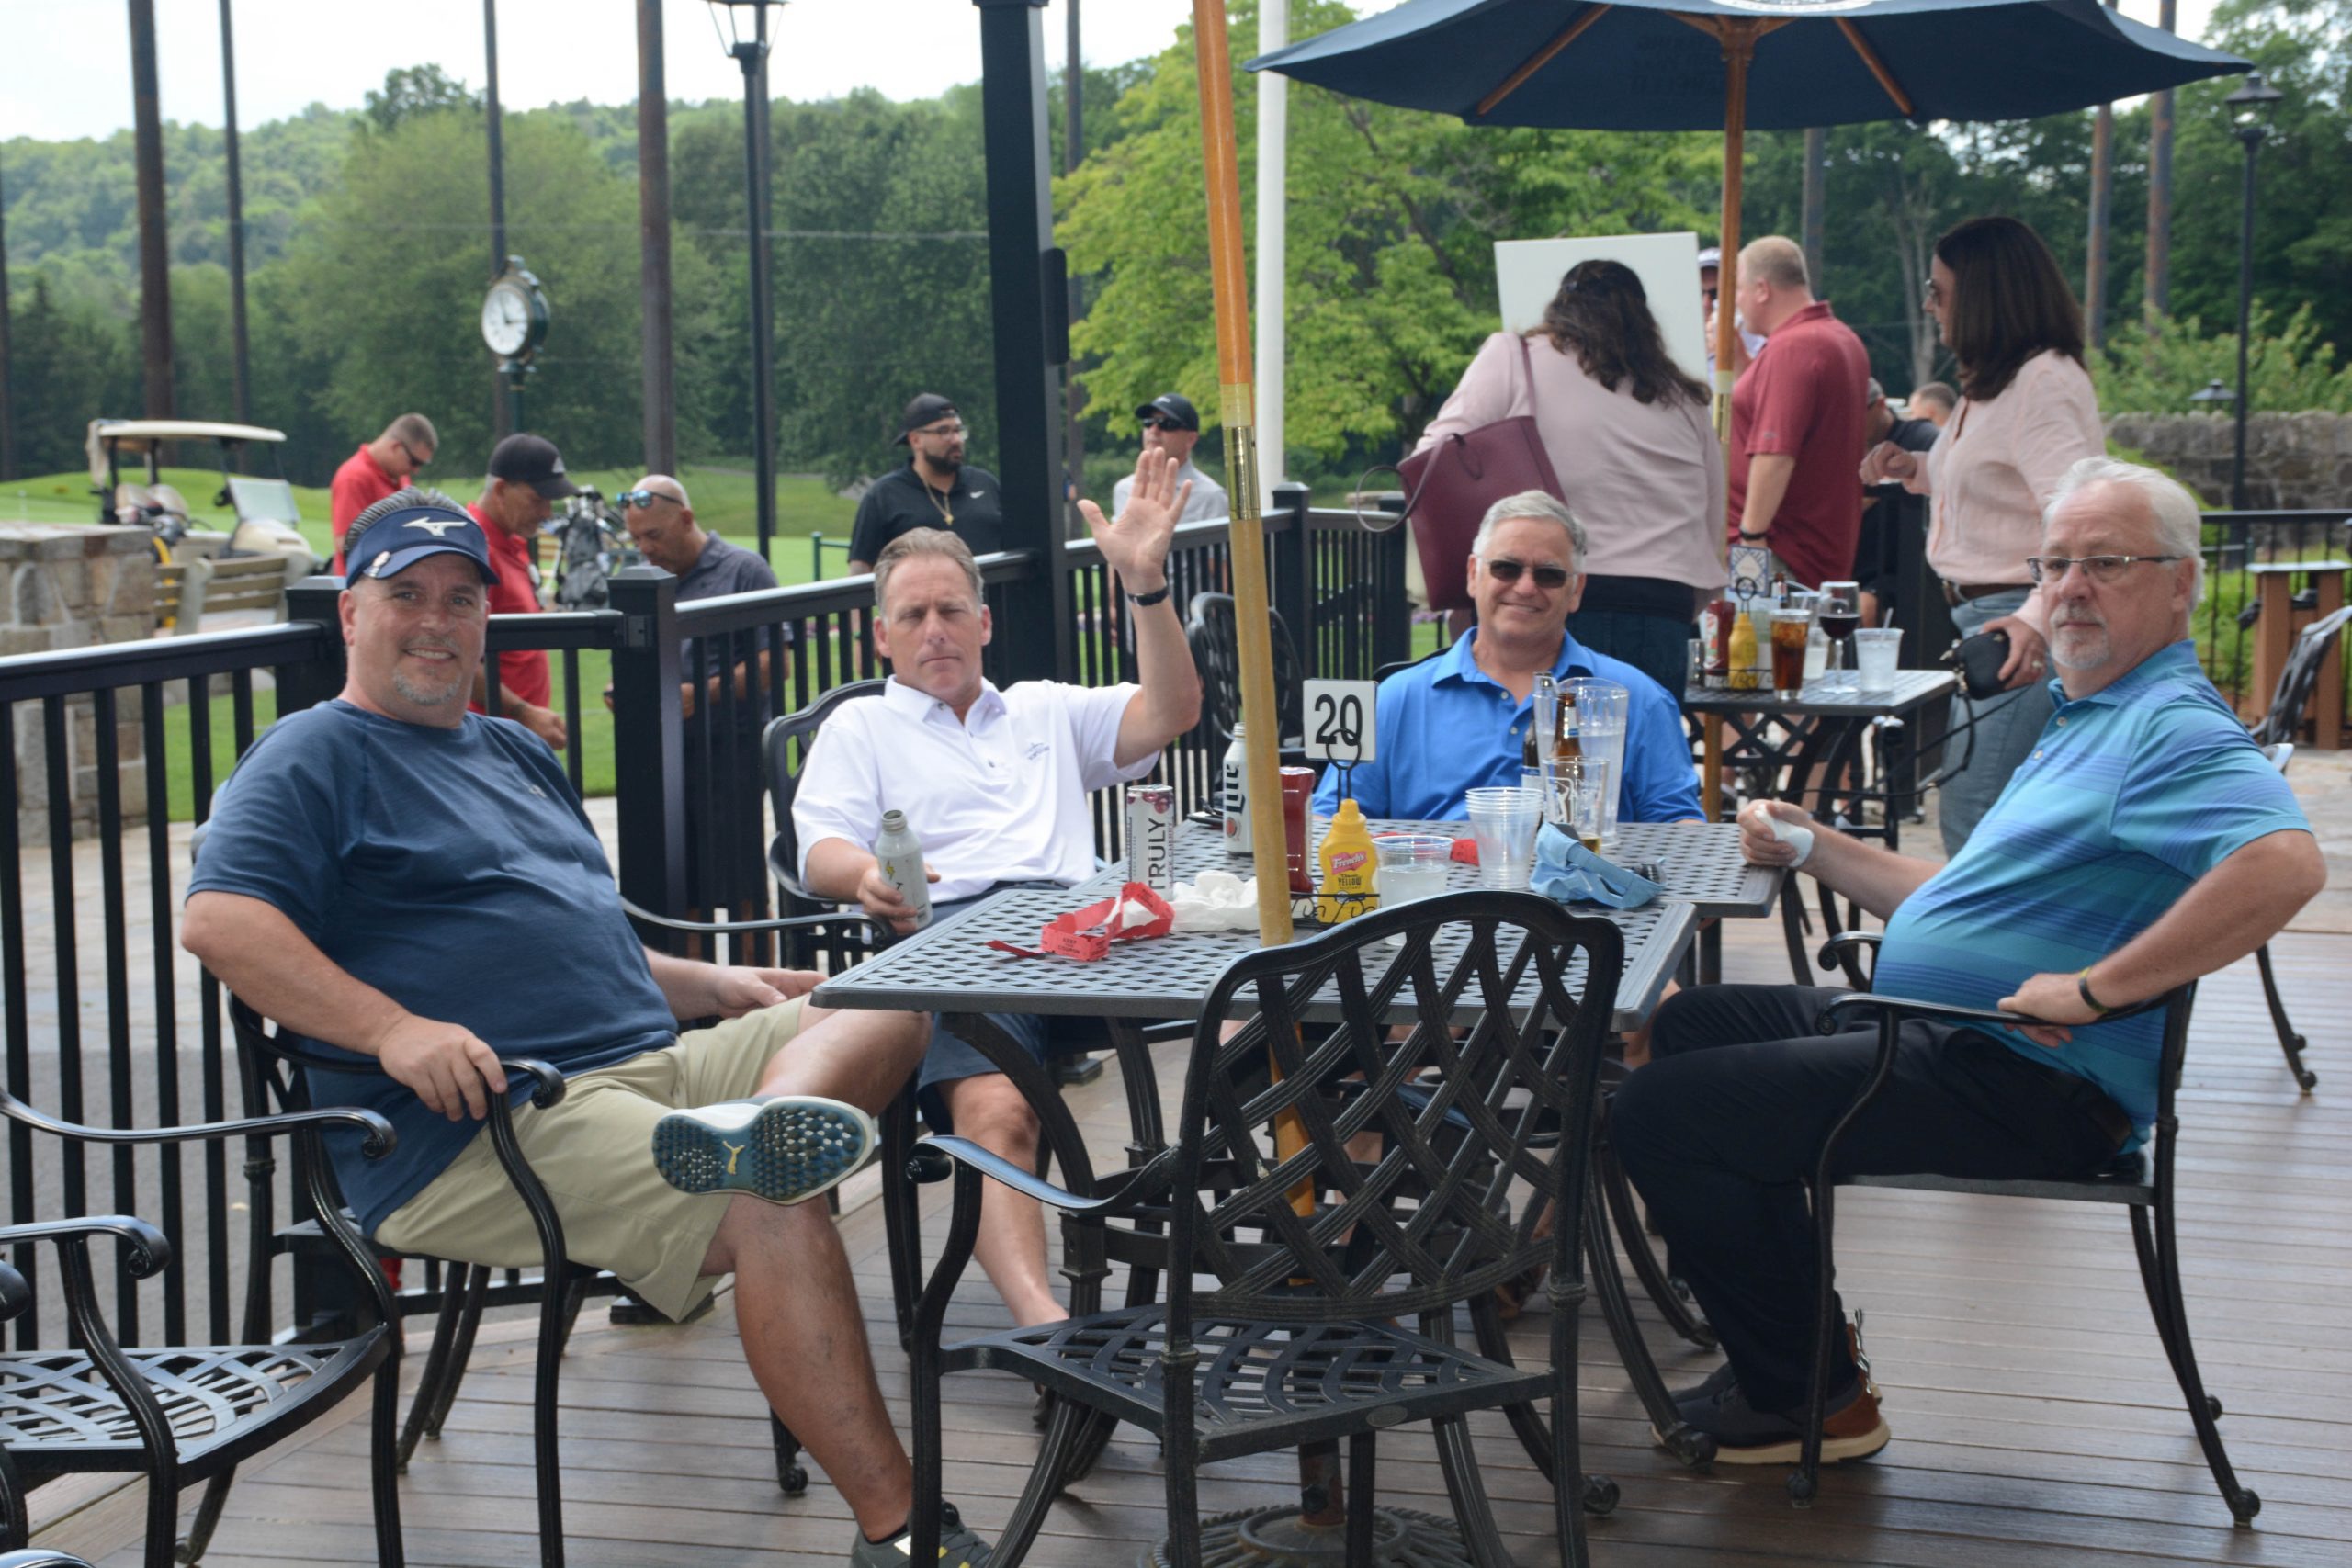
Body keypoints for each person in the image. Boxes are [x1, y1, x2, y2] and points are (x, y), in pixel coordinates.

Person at [179, 491, 998, 1568]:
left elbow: (579, 938)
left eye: (460, 599)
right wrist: (393, 1030)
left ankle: (759, 1120)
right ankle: (902, 1537)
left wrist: (713, 983)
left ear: (486, 618)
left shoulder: (512, 753)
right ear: (350, 614)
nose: (436, 620)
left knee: (887, 991)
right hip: (486, 1119)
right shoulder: (312, 754)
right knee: (766, 1200)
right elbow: (219, 920)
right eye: (406, 595)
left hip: (652, 1069)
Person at [1611, 458, 2322, 1467]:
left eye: (2106, 563)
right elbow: (1954, 902)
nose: (2070, 588)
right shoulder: (2091, 712)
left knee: (1661, 1111)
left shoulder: (2167, 726)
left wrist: (2095, 991)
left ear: (2180, 584)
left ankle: (1811, 1399)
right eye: (2055, 563)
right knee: (1690, 1024)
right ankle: (1797, 1353)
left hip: (2027, 1079)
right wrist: (1815, 844)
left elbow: (2285, 864)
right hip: (1948, 1034)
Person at [795, 451, 1202, 1334]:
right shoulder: (862, 725)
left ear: (983, 621)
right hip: (964, 939)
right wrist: (863, 876)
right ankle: (1046, 1326)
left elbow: (1171, 712)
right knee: (996, 1109)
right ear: (882, 636)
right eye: (913, 615)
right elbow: (819, 844)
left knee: (1258, 1003)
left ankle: (1289, 1244)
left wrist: (1145, 584)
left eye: (951, 610)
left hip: (1094, 932)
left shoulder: (1042, 708)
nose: (934, 630)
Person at [1859, 216, 2105, 853]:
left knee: (1976, 817)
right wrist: (1914, 469)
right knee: (1984, 816)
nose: (1929, 305)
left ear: (1982, 294)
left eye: (1937, 290)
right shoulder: (1997, 381)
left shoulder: (2041, 382)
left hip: (2018, 622)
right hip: (1992, 621)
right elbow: (1998, 480)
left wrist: (2033, 619)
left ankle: (1984, 929)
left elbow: (2078, 515)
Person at [1414, 259, 1725, 694]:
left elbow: (1432, 459)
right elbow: (1712, 522)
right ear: (1644, 319)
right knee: (1643, 737)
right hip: (1663, 611)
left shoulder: (1515, 357)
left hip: (1550, 596)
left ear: (1560, 309)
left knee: (1544, 737)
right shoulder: (1684, 398)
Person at [1312, 491, 1702, 826]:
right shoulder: (1392, 700)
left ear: (1577, 590)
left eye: (1549, 574)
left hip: (1586, 892)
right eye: (1506, 568)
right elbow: (1331, 822)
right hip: (1432, 891)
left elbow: (1679, 829)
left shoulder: (1638, 699)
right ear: (1473, 574)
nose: (1526, 587)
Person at [619, 474, 789, 924]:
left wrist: (703, 694)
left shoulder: (744, 570)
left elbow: (775, 662)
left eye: (653, 535)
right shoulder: (651, 581)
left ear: (686, 518)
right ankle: (694, 973)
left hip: (731, 753)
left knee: (742, 890)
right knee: (681, 893)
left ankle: (759, 969)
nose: (645, 548)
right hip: (669, 754)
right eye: (636, 539)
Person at [1724, 237, 1871, 592]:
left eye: (1739, 289)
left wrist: (1751, 536)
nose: (1736, 301)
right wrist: (1741, 360)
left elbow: (1776, 451)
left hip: (1780, 554)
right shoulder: (1839, 337)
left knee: (1752, 633)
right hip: (1808, 549)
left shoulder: (1793, 347)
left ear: (1762, 290)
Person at [460, 434, 574, 751]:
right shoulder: (475, 550)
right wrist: (523, 712)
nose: (547, 512)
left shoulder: (510, 542)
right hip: (489, 740)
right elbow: (457, 655)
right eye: (538, 500)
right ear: (500, 490)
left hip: (512, 736)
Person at [845, 394, 1006, 574]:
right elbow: (860, 570)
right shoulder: (884, 495)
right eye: (944, 431)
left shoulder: (986, 484)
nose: (956, 440)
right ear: (915, 440)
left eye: (958, 430)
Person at [1854, 379, 1941, 626]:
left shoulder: (1921, 436)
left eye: (1856, 413)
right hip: (1851, 568)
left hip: (1904, 573)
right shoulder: (1839, 446)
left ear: (1880, 405)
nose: (1849, 423)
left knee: (1863, 610)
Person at [328, 414, 436, 573]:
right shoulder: (353, 477)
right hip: (364, 581)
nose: (416, 470)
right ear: (395, 447)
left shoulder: (400, 477)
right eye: (414, 462)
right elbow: (346, 543)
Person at [1111, 393, 1227, 523]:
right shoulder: (1124, 489)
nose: (1154, 430)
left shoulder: (1211, 497)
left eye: (1167, 424)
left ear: (1190, 439)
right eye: (1148, 422)